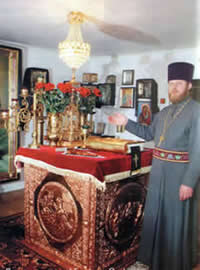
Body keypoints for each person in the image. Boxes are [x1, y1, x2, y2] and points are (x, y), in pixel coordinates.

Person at [108, 62, 200, 270]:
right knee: (154, 217)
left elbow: (198, 151)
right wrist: (126, 121)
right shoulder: (165, 112)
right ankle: (149, 261)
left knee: (174, 221)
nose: (173, 88)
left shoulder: (197, 111)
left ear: (189, 86)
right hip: (158, 172)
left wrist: (189, 182)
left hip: (179, 176)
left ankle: (175, 264)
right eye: (171, 84)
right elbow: (148, 134)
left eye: (179, 83)